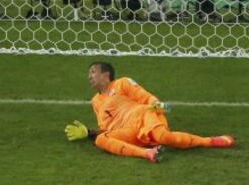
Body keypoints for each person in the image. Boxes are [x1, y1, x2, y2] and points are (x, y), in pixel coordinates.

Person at [64, 62, 235, 163]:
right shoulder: (95, 101)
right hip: (129, 131)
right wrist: (89, 133)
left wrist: (159, 106)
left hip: (144, 115)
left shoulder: (122, 83)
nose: (89, 76)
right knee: (102, 140)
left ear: (106, 74)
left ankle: (209, 141)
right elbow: (106, 128)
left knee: (163, 137)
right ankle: (148, 153)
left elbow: (147, 98)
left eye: (93, 72)